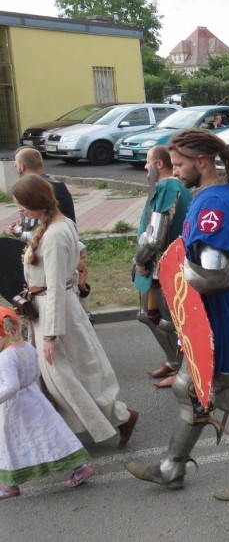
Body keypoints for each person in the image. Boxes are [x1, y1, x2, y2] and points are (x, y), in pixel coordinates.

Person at [126, 128, 229, 501]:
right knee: (188, 388)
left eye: (179, 165)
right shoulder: (221, 194)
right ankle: (171, 468)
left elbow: (215, 275)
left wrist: (175, 273)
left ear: (201, 162)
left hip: (225, 313)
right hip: (218, 311)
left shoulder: (214, 206)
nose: (175, 172)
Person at [10, 175, 138, 447]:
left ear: (36, 202)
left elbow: (55, 286)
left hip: (55, 313)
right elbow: (77, 253)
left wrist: (51, 335)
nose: (19, 208)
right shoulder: (57, 223)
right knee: (65, 376)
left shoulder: (55, 233)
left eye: (21, 203)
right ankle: (69, 430)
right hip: (47, 310)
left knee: (66, 377)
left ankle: (120, 418)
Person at [0, 307, 95, 500]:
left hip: (15, 408)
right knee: (50, 435)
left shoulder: (5, 357)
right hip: (34, 400)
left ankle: (9, 485)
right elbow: (35, 374)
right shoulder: (26, 347)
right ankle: (79, 467)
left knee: (9, 443)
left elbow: (11, 386)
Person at [133, 145, 192, 389]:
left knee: (169, 323)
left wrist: (140, 259)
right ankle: (172, 360)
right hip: (161, 265)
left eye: (148, 162)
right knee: (150, 316)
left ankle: (182, 371)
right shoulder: (170, 186)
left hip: (163, 266)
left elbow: (156, 237)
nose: (145, 167)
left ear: (159, 164)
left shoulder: (167, 186)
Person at [11, 147, 76, 241]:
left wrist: (19, 232)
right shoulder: (56, 184)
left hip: (51, 242)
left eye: (16, 164)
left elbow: (37, 232)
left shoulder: (35, 189)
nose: (20, 209)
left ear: (22, 167)